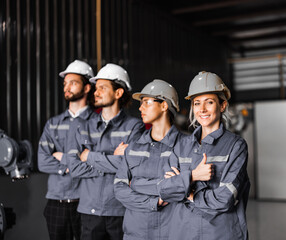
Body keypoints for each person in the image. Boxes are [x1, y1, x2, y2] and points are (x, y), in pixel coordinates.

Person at [158, 71, 250, 240]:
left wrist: (188, 192)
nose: (202, 109)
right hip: (183, 232)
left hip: (221, 234)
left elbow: (225, 199)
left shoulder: (236, 146)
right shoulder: (181, 145)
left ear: (222, 106)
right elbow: (165, 190)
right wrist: (193, 176)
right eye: (197, 103)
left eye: (209, 102)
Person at [63, 63, 144, 240]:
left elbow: (131, 166)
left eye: (102, 87)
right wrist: (113, 160)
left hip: (120, 211)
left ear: (118, 93)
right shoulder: (82, 126)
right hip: (89, 212)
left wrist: (89, 156)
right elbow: (75, 169)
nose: (96, 92)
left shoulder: (134, 127)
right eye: (95, 88)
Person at [111, 79, 186, 240]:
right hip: (135, 233)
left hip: (171, 233)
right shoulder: (133, 147)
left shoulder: (186, 146)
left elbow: (182, 189)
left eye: (146, 102)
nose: (140, 108)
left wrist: (136, 184)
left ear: (164, 105)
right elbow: (119, 189)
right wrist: (156, 200)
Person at [38, 59, 97, 240]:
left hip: (86, 203)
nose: (67, 87)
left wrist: (62, 157)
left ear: (87, 88)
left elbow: (97, 163)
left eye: (73, 83)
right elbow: (42, 162)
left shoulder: (97, 124)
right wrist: (74, 165)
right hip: (57, 203)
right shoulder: (53, 124)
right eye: (65, 83)